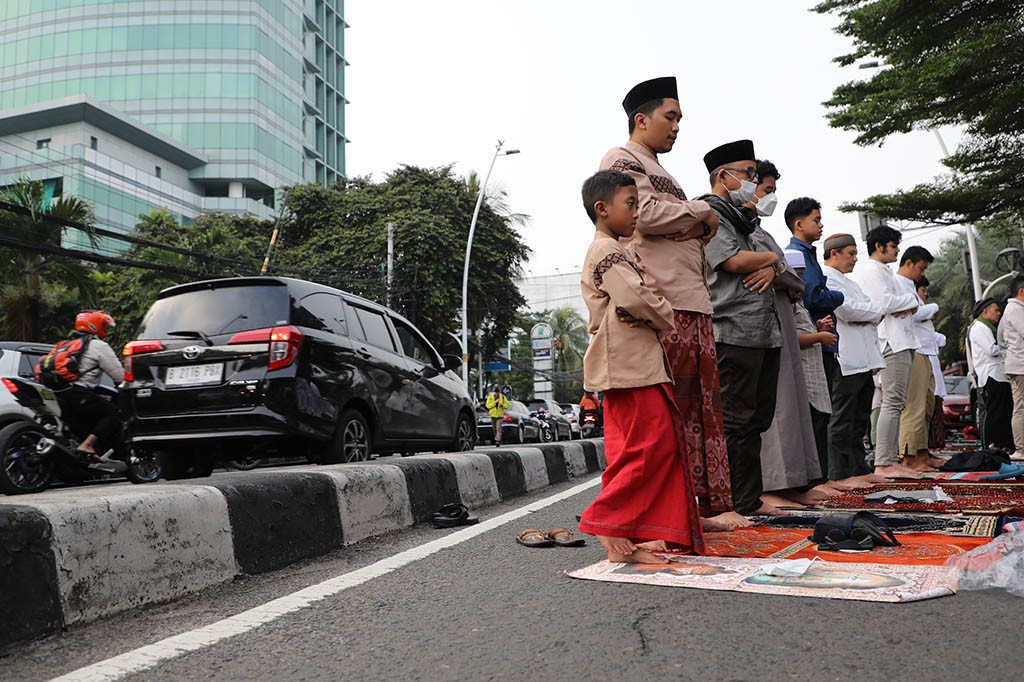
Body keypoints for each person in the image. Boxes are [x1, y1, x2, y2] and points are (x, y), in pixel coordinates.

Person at [599, 77, 746, 531]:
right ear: (641, 119)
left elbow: (703, 230)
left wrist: (697, 219)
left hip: (694, 301)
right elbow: (647, 216)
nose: (678, 126)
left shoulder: (668, 175)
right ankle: (671, 515)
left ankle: (701, 510)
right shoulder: (621, 160)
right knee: (674, 415)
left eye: (680, 119)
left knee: (702, 412)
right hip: (665, 304)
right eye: (671, 117)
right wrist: (699, 212)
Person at [576, 169, 704, 563]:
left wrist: (651, 307)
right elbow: (638, 298)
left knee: (651, 447)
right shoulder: (605, 251)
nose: (636, 212)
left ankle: (635, 532)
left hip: (637, 364)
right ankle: (609, 524)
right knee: (646, 449)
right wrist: (660, 312)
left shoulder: (620, 249)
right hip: (626, 367)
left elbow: (644, 295)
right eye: (630, 204)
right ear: (602, 209)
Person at [699, 139, 786, 517]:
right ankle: (732, 503)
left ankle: (750, 499)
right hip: (732, 329)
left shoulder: (745, 219)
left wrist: (770, 265)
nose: (753, 181)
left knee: (756, 421)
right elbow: (732, 260)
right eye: (748, 174)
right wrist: (770, 259)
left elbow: (775, 262)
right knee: (735, 422)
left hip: (762, 331)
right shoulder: (709, 213)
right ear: (724, 176)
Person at [743, 162, 823, 507]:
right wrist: (777, 269)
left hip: (779, 325)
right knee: (771, 411)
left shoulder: (759, 230)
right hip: (755, 328)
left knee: (790, 407)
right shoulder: (731, 227)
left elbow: (790, 276)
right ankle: (769, 487)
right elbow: (775, 270)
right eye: (766, 189)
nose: (770, 197)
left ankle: (791, 483)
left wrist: (777, 269)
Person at [851, 226, 922, 478]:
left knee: (897, 403)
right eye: (893, 246)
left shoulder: (884, 271)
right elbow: (886, 304)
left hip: (901, 340)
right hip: (890, 341)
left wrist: (906, 304)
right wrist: (911, 302)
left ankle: (889, 459)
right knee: (891, 402)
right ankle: (883, 462)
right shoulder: (872, 270)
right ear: (879, 246)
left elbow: (897, 304)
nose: (897, 250)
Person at [821, 234, 888, 487]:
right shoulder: (826, 278)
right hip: (845, 357)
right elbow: (848, 311)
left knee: (860, 417)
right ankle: (840, 473)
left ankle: (858, 469)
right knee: (842, 418)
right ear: (834, 253)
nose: (855, 259)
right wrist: (871, 313)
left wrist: (869, 313)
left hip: (864, 358)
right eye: (850, 253)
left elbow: (872, 307)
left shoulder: (851, 283)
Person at [784, 197, 844, 386]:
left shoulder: (808, 253)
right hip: (811, 340)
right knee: (819, 408)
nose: (821, 225)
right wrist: (839, 296)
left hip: (819, 338)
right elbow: (812, 297)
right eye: (816, 220)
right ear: (799, 224)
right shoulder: (797, 255)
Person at [48, 311, 124, 458]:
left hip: (55, 392)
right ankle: (87, 445)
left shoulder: (63, 345)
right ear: (94, 326)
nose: (106, 329)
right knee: (113, 413)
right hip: (77, 393)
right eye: (103, 325)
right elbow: (119, 376)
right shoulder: (98, 345)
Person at [892, 246, 941, 471]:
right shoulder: (898, 283)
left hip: (924, 349)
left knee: (926, 403)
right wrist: (933, 307)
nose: (922, 274)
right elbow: (914, 313)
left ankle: (921, 453)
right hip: (912, 347)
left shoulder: (910, 285)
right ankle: (910, 457)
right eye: (921, 268)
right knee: (914, 405)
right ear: (909, 263)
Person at [968, 298, 1014, 451]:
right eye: (995, 310)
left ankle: (1003, 444)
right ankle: (990, 445)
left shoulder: (987, 328)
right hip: (990, 375)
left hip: (999, 374)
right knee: (993, 412)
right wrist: (1009, 346)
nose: (998, 313)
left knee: (1003, 411)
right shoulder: (980, 327)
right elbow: (991, 350)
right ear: (985, 311)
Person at [999, 276, 1024, 460]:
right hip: (1020, 365)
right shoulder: (1015, 309)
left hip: (1018, 364)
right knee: (1020, 407)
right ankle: (1021, 448)